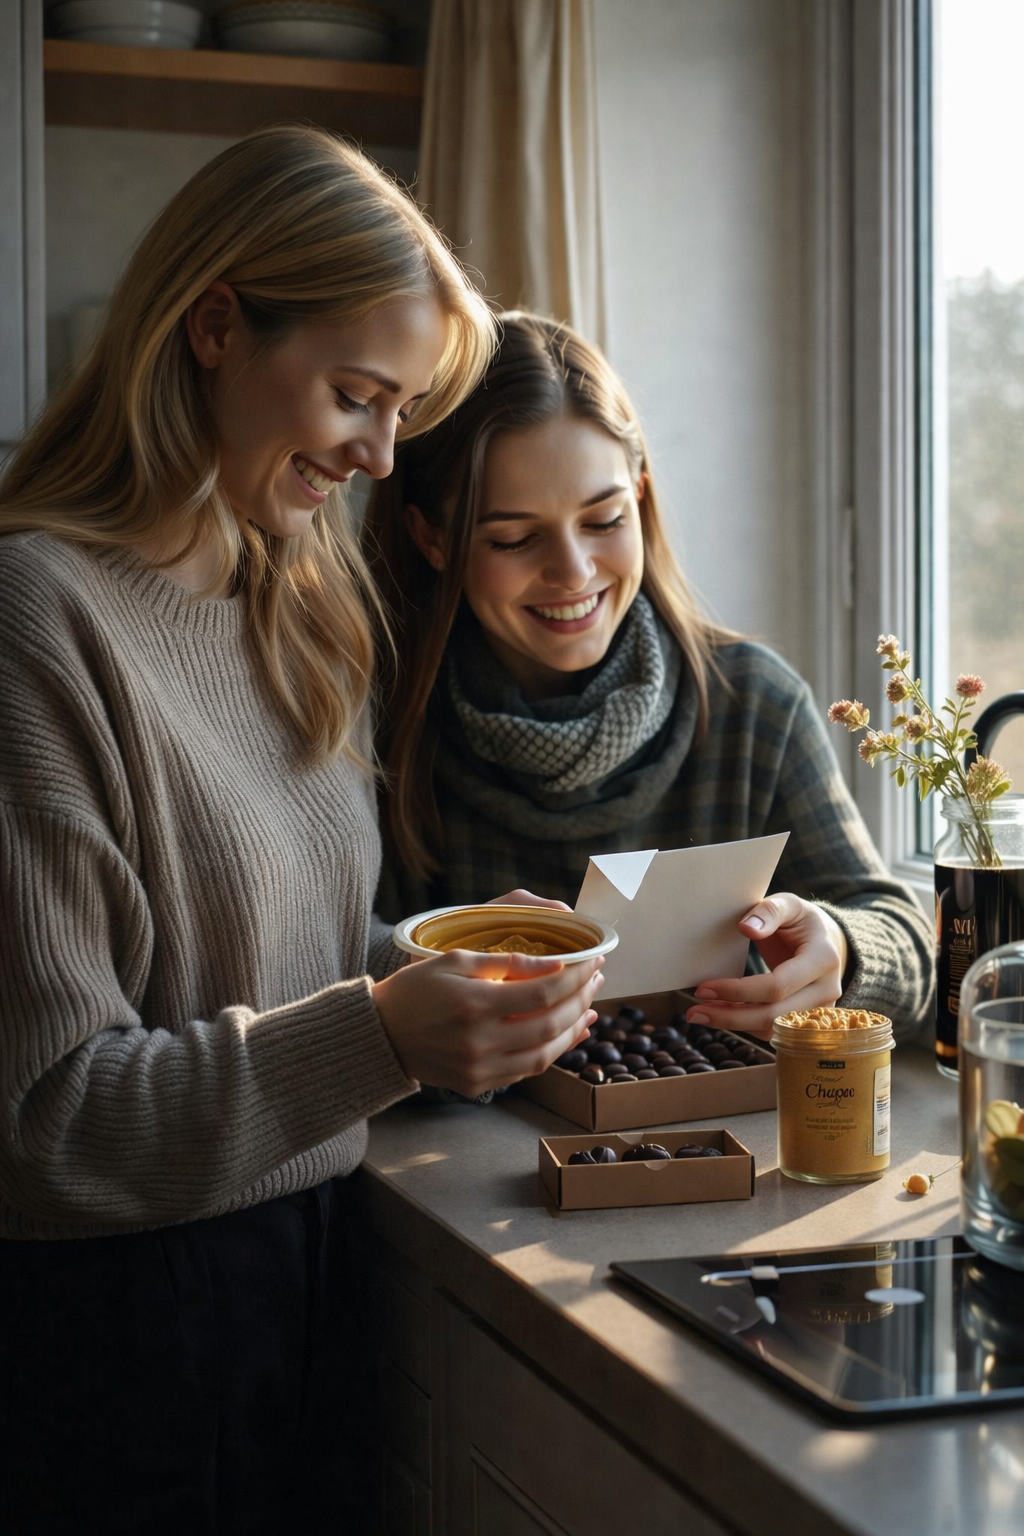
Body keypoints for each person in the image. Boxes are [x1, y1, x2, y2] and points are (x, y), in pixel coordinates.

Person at [0, 137, 604, 1534]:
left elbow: (260, 957)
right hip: (117, 1343)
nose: (383, 456)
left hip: (321, 1275)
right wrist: (387, 1034)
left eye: (401, 413)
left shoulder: (291, 598)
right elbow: (44, 1123)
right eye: (355, 395)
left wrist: (439, 966)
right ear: (215, 326)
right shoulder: (40, 620)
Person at [366, 310, 934, 1049]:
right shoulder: (380, 726)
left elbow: (909, 941)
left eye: (603, 520)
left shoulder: (752, 705)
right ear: (431, 538)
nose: (573, 572)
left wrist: (841, 948)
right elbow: (331, 966)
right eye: (513, 537)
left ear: (640, 495)